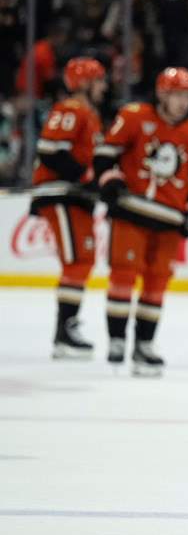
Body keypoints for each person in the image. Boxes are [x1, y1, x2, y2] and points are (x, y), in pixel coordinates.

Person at [93, 67, 188, 377]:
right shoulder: (134, 117)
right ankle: (117, 339)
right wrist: (110, 181)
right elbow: (105, 154)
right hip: (131, 211)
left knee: (157, 283)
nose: (183, 102)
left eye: (187, 96)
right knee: (123, 275)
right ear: (161, 94)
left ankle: (144, 344)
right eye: (177, 95)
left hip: (169, 219)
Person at [30, 57, 107, 358]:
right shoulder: (70, 109)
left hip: (75, 196)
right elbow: (50, 150)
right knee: (77, 261)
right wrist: (84, 177)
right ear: (84, 83)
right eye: (98, 80)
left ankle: (67, 328)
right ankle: (63, 333)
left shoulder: (89, 114)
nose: (103, 86)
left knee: (83, 260)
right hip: (60, 194)